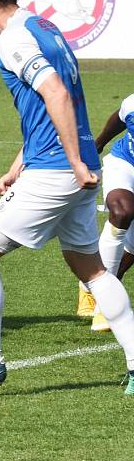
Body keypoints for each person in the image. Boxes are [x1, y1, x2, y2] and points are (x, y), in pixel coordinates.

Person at [0, 0, 134, 395]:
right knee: (93, 269)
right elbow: (51, 108)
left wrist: (71, 165)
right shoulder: (46, 28)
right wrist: (18, 165)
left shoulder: (14, 40)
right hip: (70, 165)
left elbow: (57, 95)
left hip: (58, 170)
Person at [76, 93, 134, 333]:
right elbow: (118, 119)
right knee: (122, 213)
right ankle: (105, 308)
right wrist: (97, 144)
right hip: (125, 164)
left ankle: (89, 283)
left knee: (132, 248)